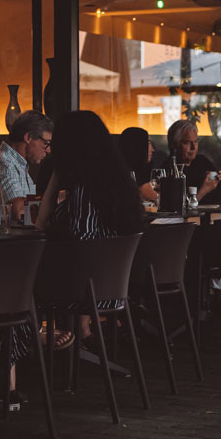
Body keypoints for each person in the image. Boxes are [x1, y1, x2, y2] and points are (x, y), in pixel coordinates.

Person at [37, 109, 143, 341]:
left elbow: (45, 226)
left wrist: (56, 177)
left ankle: (32, 343)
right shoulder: (120, 184)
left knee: (19, 282)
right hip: (115, 289)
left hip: (84, 292)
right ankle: (46, 339)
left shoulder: (84, 191)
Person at [0, 110, 53, 229]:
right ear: (28, 137)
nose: (48, 150)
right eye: (46, 143)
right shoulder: (2, 163)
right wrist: (55, 198)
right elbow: (19, 211)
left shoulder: (18, 166)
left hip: (16, 238)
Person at [162, 119, 221, 204]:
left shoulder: (202, 161)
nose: (193, 147)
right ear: (174, 145)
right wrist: (204, 190)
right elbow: (179, 207)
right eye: (187, 142)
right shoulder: (169, 170)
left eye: (195, 141)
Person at [116, 126, 156, 202]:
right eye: (148, 143)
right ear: (137, 146)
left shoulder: (121, 173)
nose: (152, 149)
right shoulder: (139, 183)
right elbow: (162, 202)